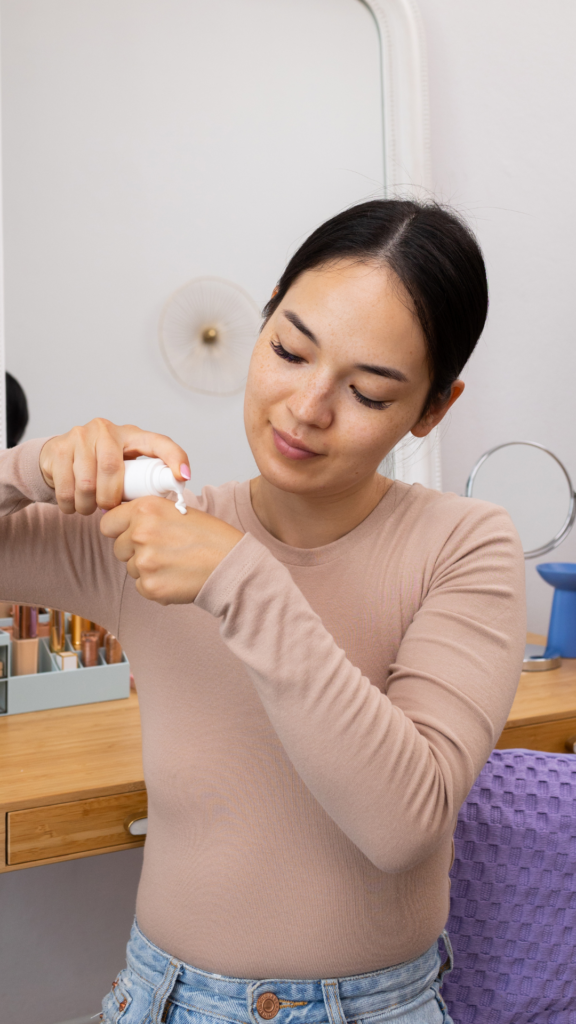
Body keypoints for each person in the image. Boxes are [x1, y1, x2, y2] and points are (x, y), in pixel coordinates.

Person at [0, 200, 525, 1024]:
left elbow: (404, 823)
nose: (307, 408)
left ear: (432, 409)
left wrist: (243, 582)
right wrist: (30, 467)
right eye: (289, 349)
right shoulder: (152, 534)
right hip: (159, 999)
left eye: (368, 391)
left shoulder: (465, 546)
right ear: (266, 315)